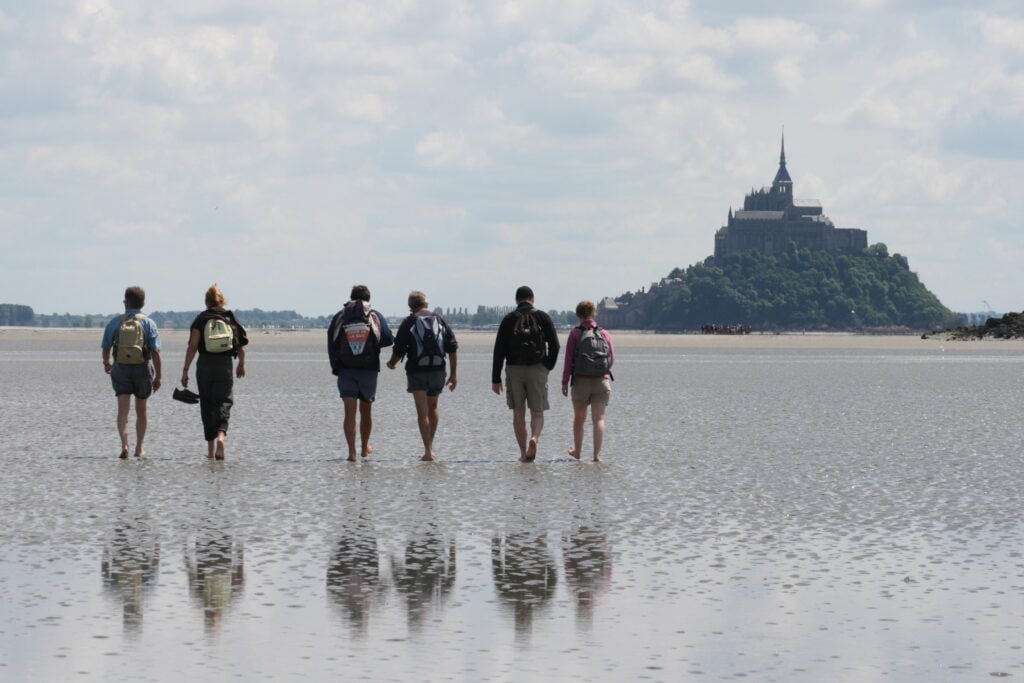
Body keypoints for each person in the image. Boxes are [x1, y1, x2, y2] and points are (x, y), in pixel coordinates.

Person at [386, 291, 458, 461]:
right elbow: (453, 347)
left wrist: (392, 363)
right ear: (427, 303)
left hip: (417, 371)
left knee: (422, 412)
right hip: (438, 370)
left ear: (411, 306)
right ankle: (430, 448)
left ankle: (427, 451)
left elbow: (399, 348)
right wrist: (453, 374)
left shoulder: (410, 321)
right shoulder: (439, 320)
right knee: (433, 407)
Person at [491, 285, 560, 462]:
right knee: (538, 412)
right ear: (533, 298)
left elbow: (499, 350)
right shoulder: (543, 317)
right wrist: (547, 367)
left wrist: (496, 378)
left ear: (516, 300)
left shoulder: (508, 319)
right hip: (537, 368)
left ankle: (523, 453)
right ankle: (534, 438)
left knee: (518, 412)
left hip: (514, 369)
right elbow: (555, 345)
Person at [180, 285, 249, 460]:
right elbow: (239, 345)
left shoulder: (201, 319)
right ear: (222, 300)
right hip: (224, 365)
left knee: (207, 404)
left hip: (204, 365)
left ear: (206, 301)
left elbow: (192, 347)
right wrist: (241, 363)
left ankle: (211, 451)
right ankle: (221, 438)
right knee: (224, 401)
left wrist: (185, 370)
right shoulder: (229, 318)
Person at [327, 284, 394, 462]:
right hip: (369, 369)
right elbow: (387, 338)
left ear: (351, 297)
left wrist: (336, 367)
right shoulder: (374, 315)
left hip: (346, 369)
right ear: (368, 299)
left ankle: (351, 453)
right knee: (366, 410)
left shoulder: (340, 316)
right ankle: (364, 448)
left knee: (349, 413)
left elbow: (331, 343)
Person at [101, 286, 162, 459]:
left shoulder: (115, 322)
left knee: (123, 411)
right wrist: (158, 376)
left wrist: (106, 363)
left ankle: (125, 445)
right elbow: (156, 352)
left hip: (120, 367)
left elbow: (106, 347)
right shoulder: (149, 323)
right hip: (142, 368)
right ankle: (139, 448)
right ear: (143, 303)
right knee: (141, 411)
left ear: (125, 302)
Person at [561, 300, 614, 462]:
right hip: (601, 381)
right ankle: (596, 456)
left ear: (578, 315)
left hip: (581, 382)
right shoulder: (604, 333)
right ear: (594, 314)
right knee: (599, 419)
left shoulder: (575, 334)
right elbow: (611, 359)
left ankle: (577, 452)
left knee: (579, 418)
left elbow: (568, 360)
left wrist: (565, 382)